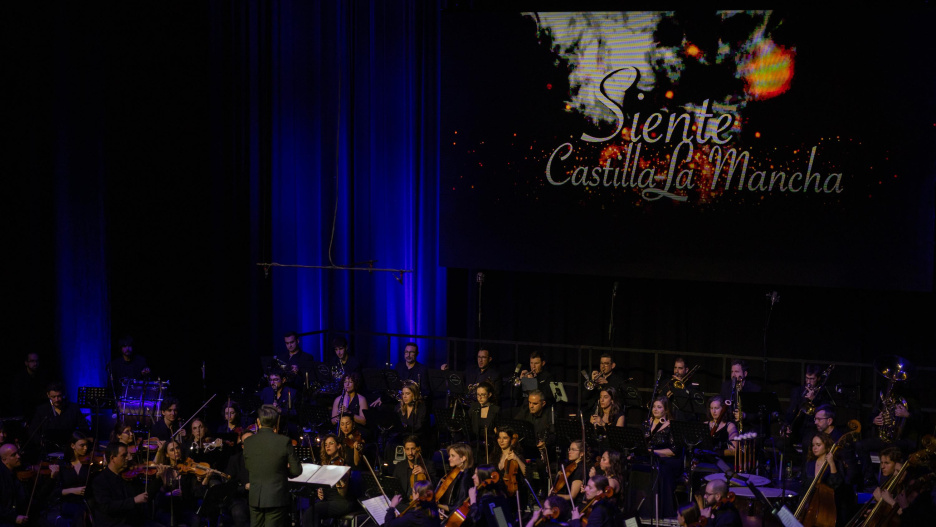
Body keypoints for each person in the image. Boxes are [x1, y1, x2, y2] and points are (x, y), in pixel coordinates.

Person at [243, 405, 302, 527]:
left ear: (258, 422)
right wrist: (281, 471)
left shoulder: (248, 442)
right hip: (276, 497)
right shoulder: (284, 441)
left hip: (255, 497)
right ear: (276, 422)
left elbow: (248, 466)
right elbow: (296, 471)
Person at [91, 441, 159, 527]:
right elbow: (107, 506)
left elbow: (145, 495)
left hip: (133, 521)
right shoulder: (100, 480)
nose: (128, 458)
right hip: (114, 523)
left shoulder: (128, 476)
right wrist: (133, 501)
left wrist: (158, 479)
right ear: (112, 458)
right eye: (124, 455)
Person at [800, 432, 856, 526]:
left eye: (818, 445)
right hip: (810, 507)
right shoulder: (809, 464)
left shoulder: (835, 463)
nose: (815, 448)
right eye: (813, 445)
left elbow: (835, 484)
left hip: (828, 508)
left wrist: (831, 463)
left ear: (826, 446)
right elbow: (804, 488)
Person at [152, 439, 206, 527]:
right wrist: (169, 494)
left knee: (196, 520)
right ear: (166, 454)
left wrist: (201, 481)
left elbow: (193, 494)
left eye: (177, 448)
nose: (176, 451)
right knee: (172, 522)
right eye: (172, 450)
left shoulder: (186, 469)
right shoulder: (163, 471)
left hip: (182, 508)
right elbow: (157, 499)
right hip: (166, 509)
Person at [27, 382, 90, 455]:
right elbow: (33, 430)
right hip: (48, 450)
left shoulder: (73, 408)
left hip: (70, 449)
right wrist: (40, 442)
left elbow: (84, 428)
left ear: (63, 394)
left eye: (59, 396)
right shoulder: (42, 410)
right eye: (53, 397)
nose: (57, 399)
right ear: (48, 395)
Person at [645, 396, 682, 518]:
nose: (655, 409)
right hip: (652, 457)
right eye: (654, 407)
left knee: (660, 470)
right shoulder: (647, 424)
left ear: (666, 410)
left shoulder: (671, 425)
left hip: (669, 460)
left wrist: (653, 451)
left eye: (659, 407)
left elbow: (673, 451)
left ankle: (662, 512)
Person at [52, 431, 94, 527]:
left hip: (87, 501)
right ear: (72, 445)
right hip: (69, 502)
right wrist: (73, 490)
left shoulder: (88, 463)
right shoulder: (63, 465)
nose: (85, 448)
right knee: (79, 511)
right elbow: (56, 492)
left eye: (86, 445)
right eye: (82, 445)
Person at [783, 365, 831, 445]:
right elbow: (791, 409)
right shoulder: (798, 391)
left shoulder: (823, 393)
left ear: (818, 379)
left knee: (807, 443)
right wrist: (787, 424)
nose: (808, 382)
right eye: (807, 378)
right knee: (782, 443)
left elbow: (825, 412)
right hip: (797, 427)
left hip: (812, 428)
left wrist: (814, 400)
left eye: (812, 379)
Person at [718, 360, 761, 429]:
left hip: (747, 427)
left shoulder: (754, 389)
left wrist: (744, 415)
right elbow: (721, 404)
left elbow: (758, 414)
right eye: (732, 372)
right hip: (728, 425)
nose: (733, 375)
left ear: (745, 373)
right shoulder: (725, 386)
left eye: (737, 372)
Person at [392, 436, 433, 508]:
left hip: (421, 504)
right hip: (403, 503)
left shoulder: (428, 465)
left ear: (418, 449)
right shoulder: (399, 466)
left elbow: (434, 486)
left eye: (413, 449)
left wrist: (425, 473)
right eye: (407, 449)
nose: (410, 453)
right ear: (404, 450)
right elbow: (394, 486)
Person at [437, 443, 473, 515]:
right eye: (450, 455)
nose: (449, 458)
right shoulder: (456, 473)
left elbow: (458, 506)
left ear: (463, 458)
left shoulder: (465, 478)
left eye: (452, 456)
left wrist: (437, 505)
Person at [10, 352, 47, 421]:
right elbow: (17, 400)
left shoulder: (42, 376)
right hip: (25, 414)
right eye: (32, 361)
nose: (35, 364)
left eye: (37, 361)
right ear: (26, 363)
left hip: (40, 413)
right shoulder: (19, 378)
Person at [667, 357, 704, 421]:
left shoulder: (693, 386)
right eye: (675, 368)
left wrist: (682, 386)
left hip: (687, 420)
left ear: (686, 370)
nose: (676, 371)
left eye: (680, 368)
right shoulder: (670, 384)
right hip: (673, 419)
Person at [492, 428, 526, 497]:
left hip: (513, 493)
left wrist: (517, 459)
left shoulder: (517, 456)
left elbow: (527, 473)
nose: (501, 441)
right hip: (497, 493)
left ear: (511, 439)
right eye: (499, 438)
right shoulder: (494, 456)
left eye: (505, 438)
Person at [0, 443, 28, 527]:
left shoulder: (15, 473)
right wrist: (14, 517)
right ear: (4, 460)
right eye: (13, 455)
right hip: (4, 519)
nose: (18, 456)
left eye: (18, 453)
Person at [556, 440, 587, 505]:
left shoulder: (580, 469)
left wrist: (555, 496)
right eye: (569, 449)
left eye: (573, 450)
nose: (569, 452)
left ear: (581, 453)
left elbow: (572, 496)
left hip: (574, 506)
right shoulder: (571, 465)